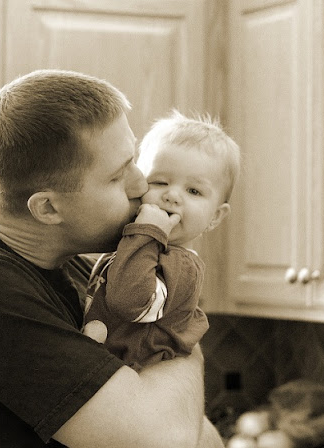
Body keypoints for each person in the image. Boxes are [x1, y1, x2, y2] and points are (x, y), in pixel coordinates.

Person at [0, 69, 227, 448]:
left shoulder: (79, 270)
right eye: (118, 177)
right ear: (48, 208)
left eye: (134, 160)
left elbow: (198, 437)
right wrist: (179, 323)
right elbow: (168, 445)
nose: (142, 185)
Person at [83, 111, 240, 370]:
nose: (172, 196)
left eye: (194, 191)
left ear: (215, 216)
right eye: (159, 182)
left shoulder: (181, 267)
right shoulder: (137, 245)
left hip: (135, 378)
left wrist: (146, 233)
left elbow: (128, 302)